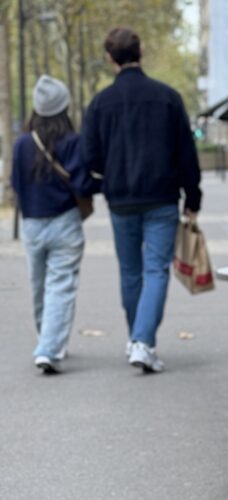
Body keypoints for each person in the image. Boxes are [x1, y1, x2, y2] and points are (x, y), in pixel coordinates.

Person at [81, 27, 202, 373]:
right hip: (162, 198)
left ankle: (138, 339)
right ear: (142, 51)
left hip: (120, 200)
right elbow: (186, 156)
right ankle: (143, 341)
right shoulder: (168, 98)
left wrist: (112, 175)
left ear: (109, 58)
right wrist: (193, 198)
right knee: (155, 270)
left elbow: (90, 157)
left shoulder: (100, 104)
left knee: (131, 271)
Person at [12, 76, 96, 374]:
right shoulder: (73, 142)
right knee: (60, 285)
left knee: (39, 286)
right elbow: (83, 182)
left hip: (33, 224)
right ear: (64, 107)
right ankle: (50, 345)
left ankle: (47, 341)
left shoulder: (22, 143)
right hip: (65, 221)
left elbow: (16, 184)